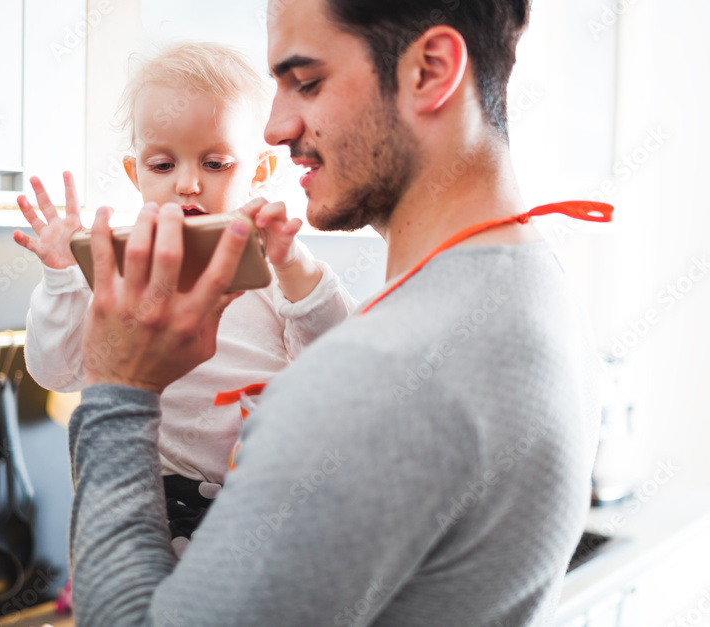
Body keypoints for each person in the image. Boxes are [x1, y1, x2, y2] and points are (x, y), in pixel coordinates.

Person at [65, 0, 609, 624]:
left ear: (430, 71)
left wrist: (118, 389)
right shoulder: (538, 285)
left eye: (307, 82)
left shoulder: (374, 376)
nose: (273, 127)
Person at [15, 43, 356, 555]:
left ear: (259, 172)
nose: (188, 183)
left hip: (269, 507)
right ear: (136, 174)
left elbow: (337, 368)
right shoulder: (118, 269)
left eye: (216, 163)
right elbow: (55, 370)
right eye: (162, 164)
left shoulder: (272, 260)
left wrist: (294, 268)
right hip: (150, 509)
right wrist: (63, 278)